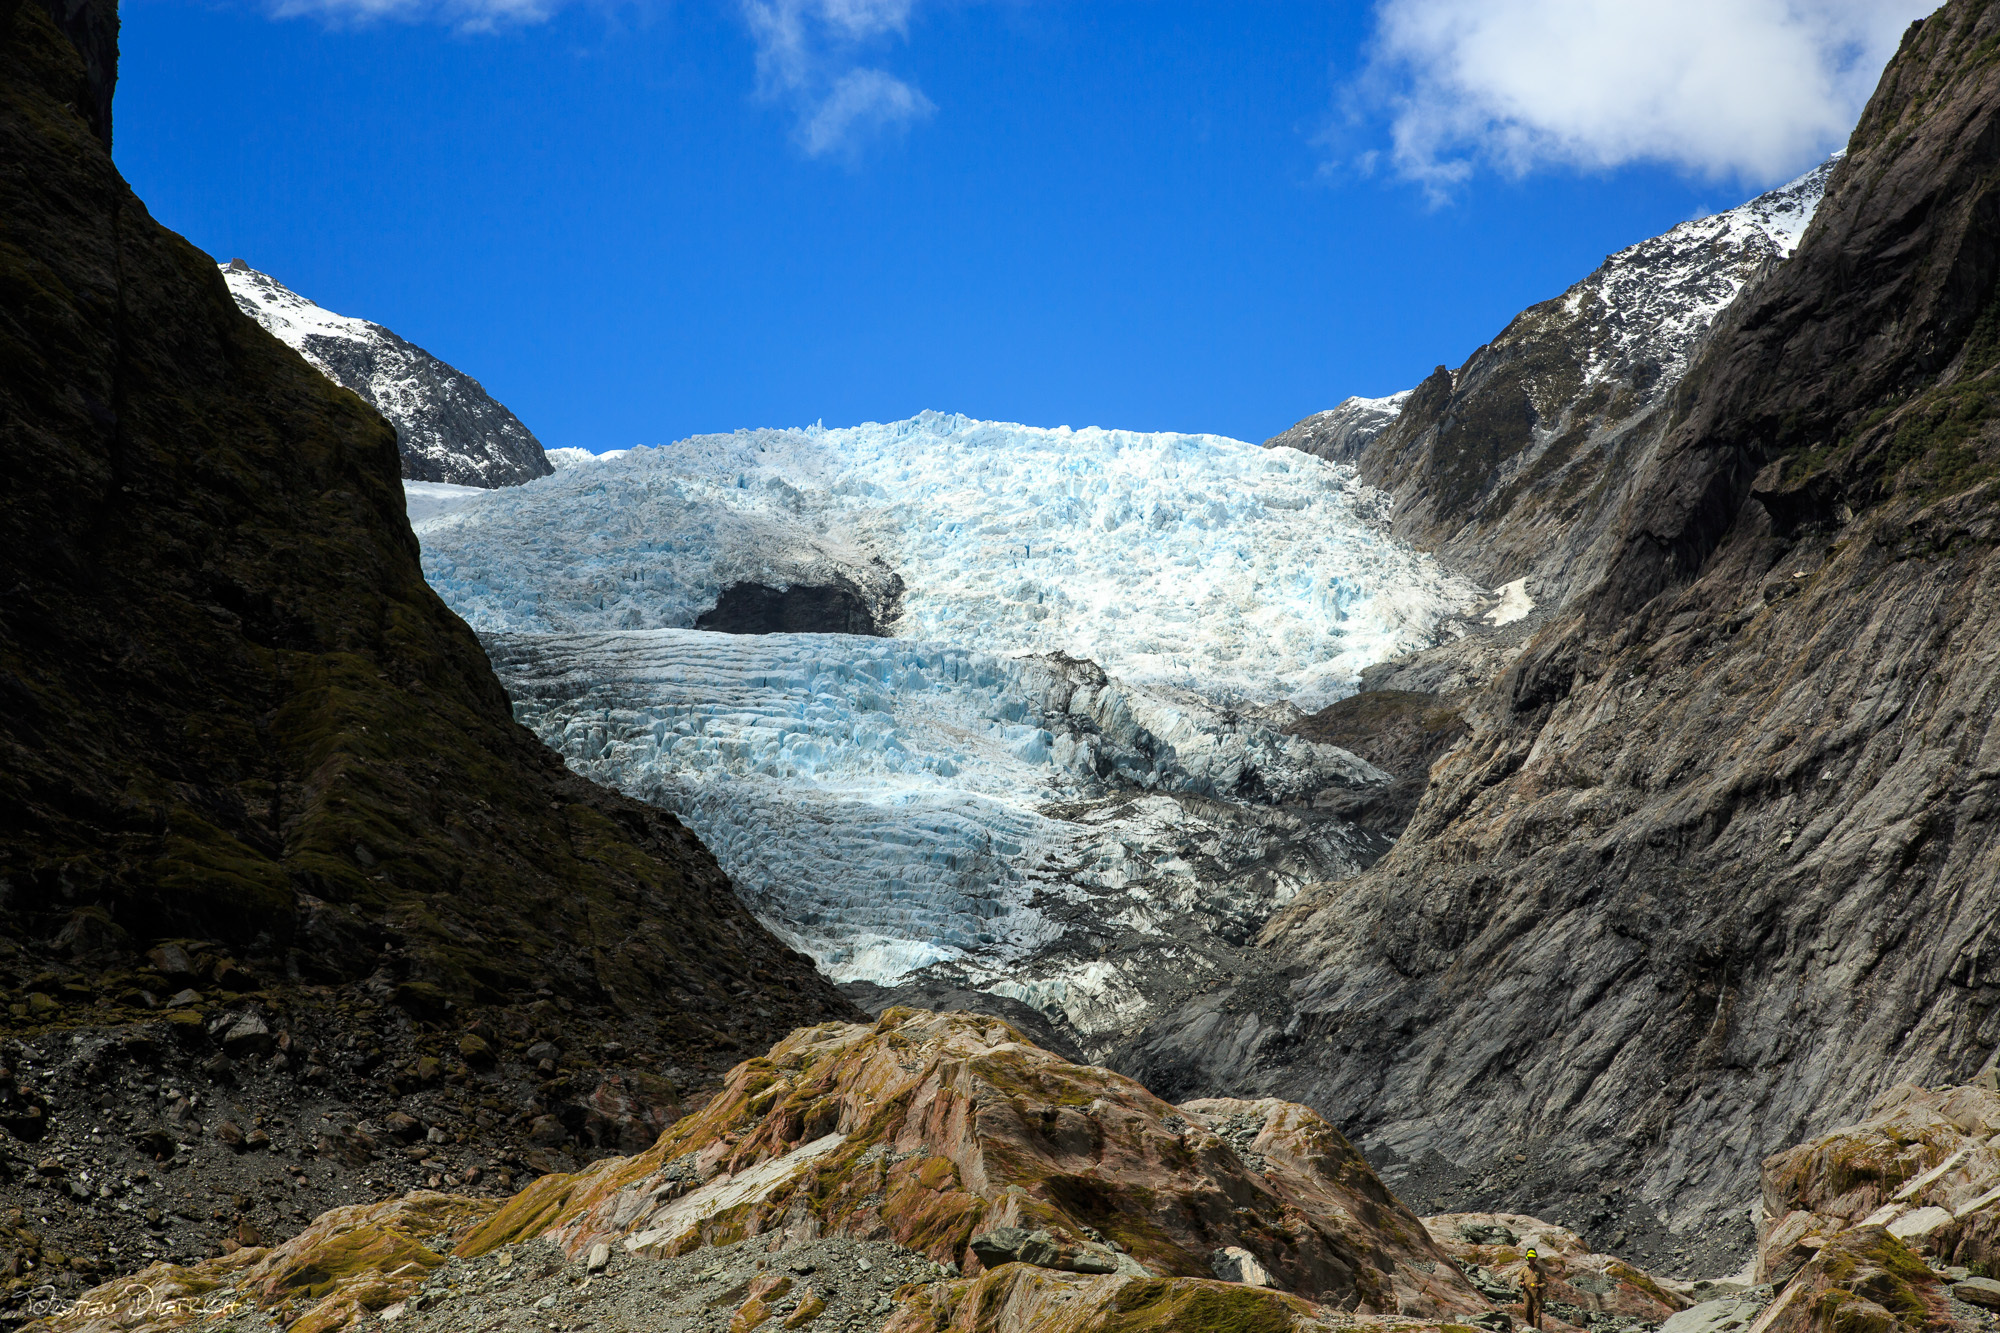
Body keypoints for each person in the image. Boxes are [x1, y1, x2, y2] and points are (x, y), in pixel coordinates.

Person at [1521, 1246, 1547, 1330]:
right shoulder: (1524, 1269)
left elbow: (1545, 1283)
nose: (1531, 1260)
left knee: (1537, 1316)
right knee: (1528, 1315)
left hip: (1537, 1296)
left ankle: (1538, 1331)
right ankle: (1530, 1330)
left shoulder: (1540, 1270)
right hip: (1527, 1295)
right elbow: (1518, 1280)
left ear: (1535, 1258)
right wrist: (1521, 1283)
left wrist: (1538, 1286)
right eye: (1530, 1258)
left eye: (1533, 1258)